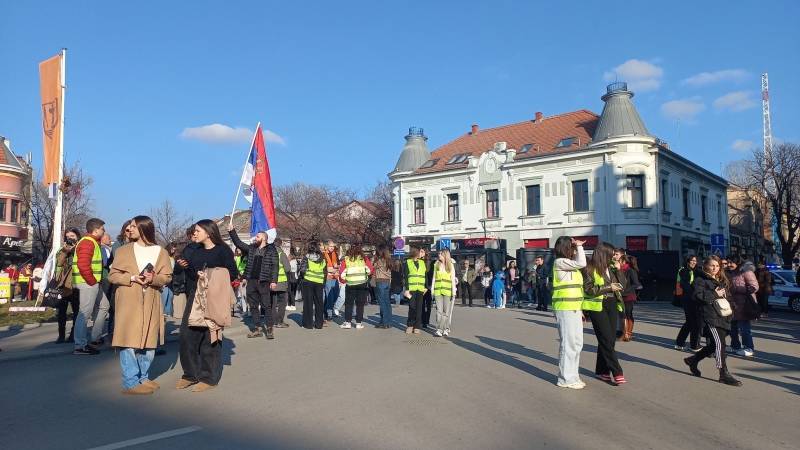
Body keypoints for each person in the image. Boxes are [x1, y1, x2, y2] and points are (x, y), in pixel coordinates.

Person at [109, 216, 173, 395]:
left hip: (152, 299)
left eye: (133, 226)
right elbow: (112, 276)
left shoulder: (161, 252)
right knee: (128, 340)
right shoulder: (123, 251)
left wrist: (155, 279)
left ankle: (143, 377)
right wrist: (131, 278)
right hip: (129, 300)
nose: (129, 229)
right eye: (129, 226)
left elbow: (167, 276)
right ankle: (130, 382)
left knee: (149, 342)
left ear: (144, 229)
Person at [177, 220, 238, 392]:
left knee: (210, 336)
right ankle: (190, 374)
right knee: (186, 335)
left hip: (215, 298)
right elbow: (190, 273)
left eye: (197, 231)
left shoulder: (223, 250)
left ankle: (208, 377)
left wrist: (210, 274)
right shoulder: (194, 250)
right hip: (195, 297)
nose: (194, 234)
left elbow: (232, 273)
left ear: (208, 232)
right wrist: (184, 267)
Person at [683, 257, 742, 386]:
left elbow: (729, 298)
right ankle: (723, 373)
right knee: (720, 344)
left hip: (723, 316)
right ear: (705, 266)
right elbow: (697, 296)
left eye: (717, 266)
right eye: (712, 265)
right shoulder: (700, 280)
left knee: (714, 345)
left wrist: (732, 307)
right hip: (709, 316)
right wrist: (714, 294)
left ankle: (693, 360)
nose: (715, 268)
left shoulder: (720, 280)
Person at [582, 241, 627, 385]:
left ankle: (602, 371)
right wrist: (609, 287)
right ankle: (617, 371)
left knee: (609, 339)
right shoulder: (589, 268)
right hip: (597, 306)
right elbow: (589, 289)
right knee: (606, 339)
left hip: (612, 304)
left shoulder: (612, 268)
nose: (615, 257)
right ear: (604, 254)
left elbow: (623, 285)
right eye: (612, 255)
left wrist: (619, 270)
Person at [227, 222, 276, 339]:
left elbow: (275, 266)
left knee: (266, 305)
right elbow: (238, 243)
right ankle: (257, 329)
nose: (255, 238)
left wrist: (274, 281)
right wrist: (232, 231)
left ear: (264, 239)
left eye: (258, 236)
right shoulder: (251, 249)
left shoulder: (271, 251)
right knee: (253, 306)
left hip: (264, 282)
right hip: (252, 282)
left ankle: (269, 329)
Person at [551, 237, 587, 389]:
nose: (574, 250)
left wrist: (580, 309)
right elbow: (582, 263)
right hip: (565, 307)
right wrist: (579, 246)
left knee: (577, 343)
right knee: (568, 343)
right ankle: (565, 378)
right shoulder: (559, 262)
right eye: (572, 247)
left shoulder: (567, 265)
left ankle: (573, 376)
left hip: (574, 307)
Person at [72, 218, 110, 355]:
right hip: (88, 283)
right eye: (102, 229)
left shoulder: (92, 242)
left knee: (104, 305)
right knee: (84, 313)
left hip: (92, 282)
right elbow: (83, 264)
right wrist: (92, 281)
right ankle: (80, 345)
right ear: (95, 230)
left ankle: (95, 338)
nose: (104, 231)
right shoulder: (88, 243)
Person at [726, 255, 759, 357]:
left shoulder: (746, 272)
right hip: (732, 304)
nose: (729, 264)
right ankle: (735, 346)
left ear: (738, 262)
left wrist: (739, 290)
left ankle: (749, 347)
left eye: (731, 262)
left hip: (745, 305)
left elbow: (754, 287)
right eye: (728, 262)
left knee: (744, 328)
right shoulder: (729, 273)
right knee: (732, 328)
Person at [54, 228, 81, 343]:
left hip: (76, 282)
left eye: (72, 236)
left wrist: (74, 249)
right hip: (64, 283)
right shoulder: (62, 249)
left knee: (77, 311)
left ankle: (73, 335)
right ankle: (61, 335)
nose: (70, 238)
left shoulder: (81, 247)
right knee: (61, 311)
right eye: (68, 236)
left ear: (77, 236)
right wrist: (65, 251)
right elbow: (59, 262)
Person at [338, 244, 374, 329]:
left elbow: (341, 273)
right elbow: (370, 270)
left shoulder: (346, 260)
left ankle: (348, 322)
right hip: (362, 284)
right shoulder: (364, 259)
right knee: (360, 304)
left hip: (350, 284)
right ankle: (359, 323)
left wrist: (344, 281)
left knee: (349, 304)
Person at [674, 255, 702, 352]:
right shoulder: (683, 271)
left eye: (695, 261)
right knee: (693, 322)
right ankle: (694, 346)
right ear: (687, 261)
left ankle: (680, 343)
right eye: (692, 260)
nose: (694, 262)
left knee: (690, 322)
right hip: (688, 299)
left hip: (695, 299)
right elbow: (684, 285)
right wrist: (695, 292)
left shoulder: (697, 270)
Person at [299, 240, 326, 329]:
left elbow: (302, 270)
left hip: (308, 281)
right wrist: (323, 282)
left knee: (308, 303)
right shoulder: (322, 258)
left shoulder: (306, 257)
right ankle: (319, 324)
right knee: (319, 303)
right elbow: (325, 272)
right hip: (319, 282)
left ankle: (308, 324)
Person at [432, 249, 457, 337]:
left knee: (446, 311)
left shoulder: (450, 266)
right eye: (439, 254)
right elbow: (434, 278)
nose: (439, 255)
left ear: (445, 255)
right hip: (438, 290)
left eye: (441, 254)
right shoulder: (436, 265)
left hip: (447, 291)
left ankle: (445, 328)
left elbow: (452, 279)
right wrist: (432, 289)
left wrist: (453, 292)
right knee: (439, 311)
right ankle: (439, 329)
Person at [271, 237, 293, 329]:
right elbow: (288, 268)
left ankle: (273, 321)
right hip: (281, 282)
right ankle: (279, 321)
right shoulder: (281, 254)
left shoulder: (268, 253)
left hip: (271, 282)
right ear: (280, 244)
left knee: (272, 302)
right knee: (282, 303)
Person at [404, 247, 427, 334]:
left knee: (419, 308)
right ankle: (410, 325)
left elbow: (425, 275)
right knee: (412, 307)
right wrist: (406, 289)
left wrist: (425, 288)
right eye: (420, 251)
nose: (421, 253)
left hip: (421, 289)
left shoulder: (422, 262)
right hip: (412, 289)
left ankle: (417, 326)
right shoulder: (408, 262)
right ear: (415, 252)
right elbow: (406, 277)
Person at [620, 255, 642, 341]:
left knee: (628, 315)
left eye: (620, 261)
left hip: (629, 296)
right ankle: (624, 333)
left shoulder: (631, 271)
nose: (619, 262)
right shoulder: (620, 270)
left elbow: (636, 284)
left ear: (624, 261)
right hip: (621, 295)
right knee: (623, 315)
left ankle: (628, 334)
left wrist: (625, 290)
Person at [373, 246, 393, 329]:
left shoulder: (379, 261)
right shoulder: (389, 261)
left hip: (380, 282)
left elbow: (372, 266)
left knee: (382, 303)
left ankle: (384, 322)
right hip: (387, 282)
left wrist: (375, 257)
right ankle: (388, 322)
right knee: (387, 303)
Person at [322, 241, 340, 321]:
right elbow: (325, 268)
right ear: (326, 246)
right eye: (330, 246)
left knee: (336, 295)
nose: (332, 248)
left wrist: (335, 268)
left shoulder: (335, 254)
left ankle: (327, 310)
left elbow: (338, 265)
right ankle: (329, 313)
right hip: (328, 277)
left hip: (335, 277)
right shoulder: (323, 255)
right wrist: (331, 269)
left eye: (333, 246)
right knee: (329, 296)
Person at [287, 247, 298, 311]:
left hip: (291, 276)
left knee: (290, 292)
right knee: (293, 292)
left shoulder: (292, 262)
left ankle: (291, 304)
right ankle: (292, 304)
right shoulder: (295, 261)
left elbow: (289, 269)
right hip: (295, 277)